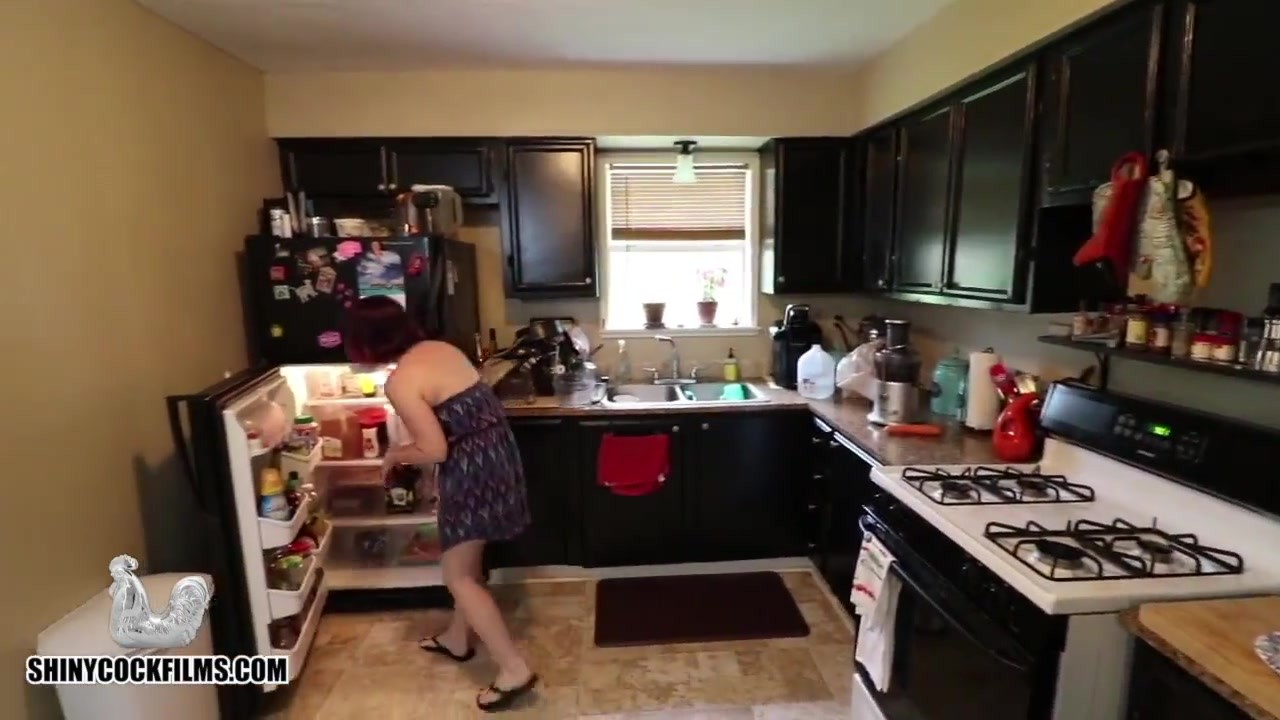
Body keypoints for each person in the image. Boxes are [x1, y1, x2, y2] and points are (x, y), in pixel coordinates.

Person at [343, 295, 536, 712]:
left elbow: (435, 449)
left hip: (472, 470)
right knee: (468, 563)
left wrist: (395, 455)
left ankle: (513, 668)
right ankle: (457, 638)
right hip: (498, 455)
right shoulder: (440, 348)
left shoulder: (401, 382)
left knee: (458, 576)